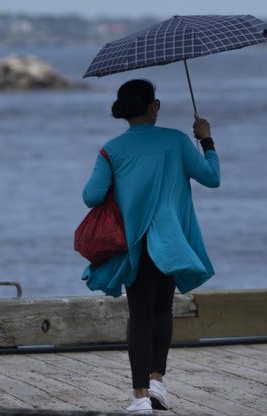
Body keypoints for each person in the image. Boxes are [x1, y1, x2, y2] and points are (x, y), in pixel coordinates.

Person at [82, 78, 220, 415]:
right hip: (170, 243)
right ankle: (157, 382)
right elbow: (212, 177)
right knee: (162, 310)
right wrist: (206, 139)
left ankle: (140, 397)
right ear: (152, 107)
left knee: (140, 315)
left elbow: (92, 196)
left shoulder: (111, 149)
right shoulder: (176, 141)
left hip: (134, 243)